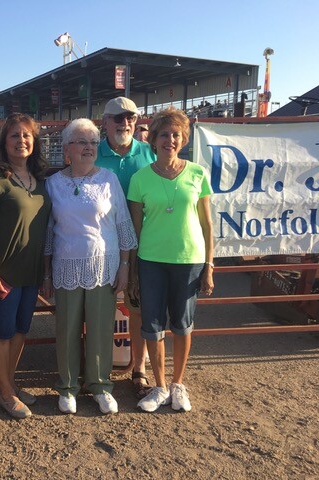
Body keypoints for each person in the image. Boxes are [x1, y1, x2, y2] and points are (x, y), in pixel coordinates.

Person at [42, 119, 137, 415]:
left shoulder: (108, 179)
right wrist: (45, 272)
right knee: (67, 329)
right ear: (67, 148)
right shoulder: (53, 183)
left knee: (100, 329)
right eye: (82, 142)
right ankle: (68, 386)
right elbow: (47, 231)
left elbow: (123, 225)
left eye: (94, 142)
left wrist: (124, 265)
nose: (89, 148)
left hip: (104, 266)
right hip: (66, 266)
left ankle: (100, 386)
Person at [127, 108, 214, 413]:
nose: (170, 140)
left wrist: (209, 265)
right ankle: (159, 385)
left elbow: (206, 224)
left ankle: (178, 383)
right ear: (153, 139)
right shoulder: (139, 179)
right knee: (152, 326)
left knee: (183, 324)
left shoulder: (197, 174)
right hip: (151, 260)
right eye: (164, 134)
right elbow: (135, 232)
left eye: (176, 134)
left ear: (183, 139)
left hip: (189, 259)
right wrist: (134, 272)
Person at [0, 113, 51, 419]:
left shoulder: (40, 181)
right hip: (3, 273)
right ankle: (4, 392)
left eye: (26, 136)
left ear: (35, 142)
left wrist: (45, 271)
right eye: (14, 136)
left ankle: (11, 383)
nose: (21, 141)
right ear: (4, 143)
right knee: (2, 333)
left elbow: (46, 231)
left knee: (20, 331)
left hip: (31, 272)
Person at [95, 96, 156, 399]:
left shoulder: (148, 153)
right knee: (97, 305)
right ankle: (96, 366)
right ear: (104, 122)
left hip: (141, 242)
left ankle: (138, 368)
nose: (125, 123)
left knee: (138, 307)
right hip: (100, 242)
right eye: (118, 118)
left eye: (130, 117)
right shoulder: (90, 152)